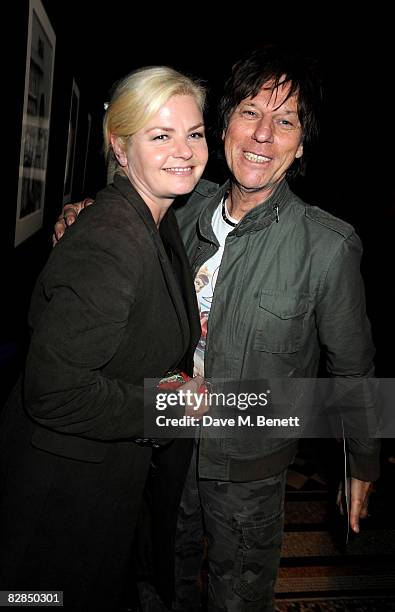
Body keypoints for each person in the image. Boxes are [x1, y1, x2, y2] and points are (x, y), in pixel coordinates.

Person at [54, 44, 379, 612]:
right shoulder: (178, 205)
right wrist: (79, 213)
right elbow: (122, 212)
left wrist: (362, 465)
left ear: (301, 144)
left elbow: (353, 367)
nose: (262, 136)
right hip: (162, 449)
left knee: (238, 600)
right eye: (250, 112)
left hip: (249, 472)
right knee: (159, 585)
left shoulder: (328, 246)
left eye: (285, 122)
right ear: (223, 123)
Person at [0, 65, 209, 611]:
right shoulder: (113, 239)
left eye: (194, 132)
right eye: (160, 135)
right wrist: (162, 407)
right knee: (36, 599)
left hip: (101, 484)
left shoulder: (157, 218)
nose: (183, 150)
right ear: (120, 148)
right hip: (60, 493)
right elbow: (53, 390)